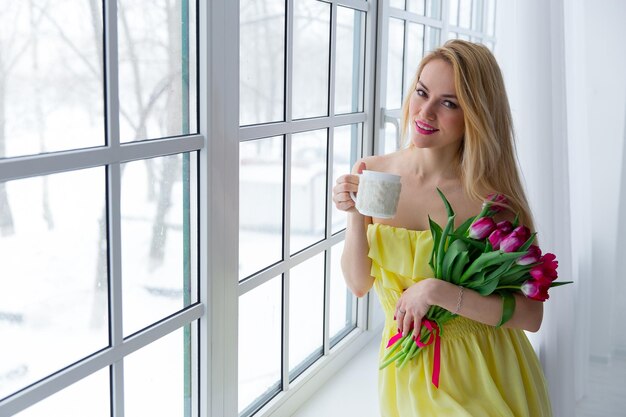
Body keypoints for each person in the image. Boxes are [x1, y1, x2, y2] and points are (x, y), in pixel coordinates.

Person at [332, 40, 552, 416]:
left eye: (448, 103)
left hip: (482, 375)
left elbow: (531, 317)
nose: (425, 111)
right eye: (422, 92)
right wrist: (355, 215)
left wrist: (436, 291)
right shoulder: (374, 172)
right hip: (406, 374)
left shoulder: (490, 202)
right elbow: (359, 284)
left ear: (476, 115)